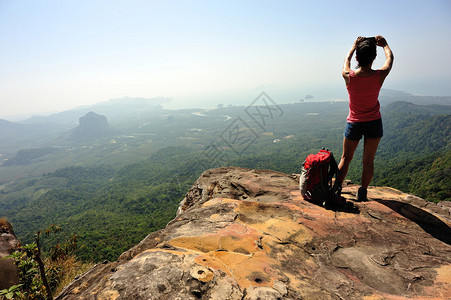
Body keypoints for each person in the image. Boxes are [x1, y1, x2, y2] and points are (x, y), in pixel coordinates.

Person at [337, 35, 394, 201]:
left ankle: (337, 188)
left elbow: (346, 60)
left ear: (357, 57)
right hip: (374, 123)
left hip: (354, 123)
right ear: (374, 58)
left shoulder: (348, 76)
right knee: (368, 161)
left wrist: (354, 46)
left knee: (345, 158)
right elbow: (390, 59)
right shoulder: (379, 75)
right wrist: (385, 45)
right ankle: (363, 191)